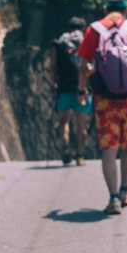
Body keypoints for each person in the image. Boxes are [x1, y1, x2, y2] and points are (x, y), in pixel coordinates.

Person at [78, 0, 127, 215]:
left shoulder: (94, 30)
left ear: (106, 9)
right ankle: (124, 191)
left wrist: (82, 90)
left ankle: (112, 199)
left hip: (104, 100)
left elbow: (84, 65)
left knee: (109, 148)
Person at [51, 17, 91, 166]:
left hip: (63, 87)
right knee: (81, 124)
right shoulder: (86, 42)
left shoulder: (59, 43)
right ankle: (80, 155)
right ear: (83, 28)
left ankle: (65, 149)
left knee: (64, 121)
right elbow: (90, 66)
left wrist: (54, 83)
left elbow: (53, 66)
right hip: (83, 89)